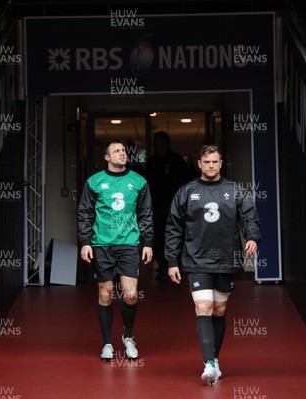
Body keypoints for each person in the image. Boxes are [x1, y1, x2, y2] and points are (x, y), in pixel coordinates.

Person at [164, 144, 261, 385]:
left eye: (215, 162)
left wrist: (252, 237)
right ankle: (208, 364)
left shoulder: (235, 190)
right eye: (206, 162)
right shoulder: (186, 192)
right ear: (199, 163)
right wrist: (171, 261)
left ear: (220, 164)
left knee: (219, 310)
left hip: (226, 259)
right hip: (196, 259)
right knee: (204, 307)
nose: (211, 166)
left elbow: (250, 218)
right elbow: (173, 227)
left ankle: (215, 359)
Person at [77, 139, 154, 361]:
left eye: (123, 151)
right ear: (107, 158)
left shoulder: (139, 182)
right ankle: (107, 343)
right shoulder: (95, 182)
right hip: (102, 244)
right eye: (117, 151)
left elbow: (146, 213)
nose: (122, 154)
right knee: (105, 293)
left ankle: (127, 337)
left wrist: (148, 242)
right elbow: (85, 213)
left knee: (130, 294)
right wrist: (85, 242)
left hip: (129, 244)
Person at [145, 131, 189, 281]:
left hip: (175, 206)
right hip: (156, 207)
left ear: (166, 143)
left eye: (159, 142)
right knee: (158, 237)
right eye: (154, 142)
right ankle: (163, 267)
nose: (156, 145)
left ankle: (178, 266)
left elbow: (186, 182)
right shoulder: (151, 162)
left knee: (177, 235)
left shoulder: (176, 160)